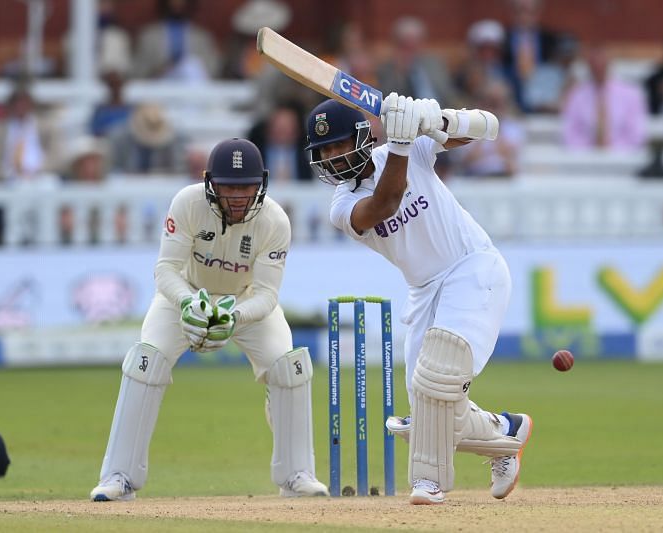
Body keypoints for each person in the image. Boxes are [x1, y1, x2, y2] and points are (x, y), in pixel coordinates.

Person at [305, 96, 533, 504]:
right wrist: (402, 142)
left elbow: (488, 125)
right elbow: (386, 202)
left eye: (339, 145)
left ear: (360, 137)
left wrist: (436, 119)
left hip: (472, 266)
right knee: (431, 410)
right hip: (425, 290)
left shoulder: (412, 149)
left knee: (436, 386)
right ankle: (505, 432)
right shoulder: (341, 206)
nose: (334, 158)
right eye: (325, 151)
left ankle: (427, 482)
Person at [90, 138, 328, 501]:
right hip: (185, 297)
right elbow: (166, 270)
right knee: (145, 362)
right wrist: (189, 303)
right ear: (210, 183)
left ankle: (296, 474)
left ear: (260, 184)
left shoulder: (275, 220)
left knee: (289, 367)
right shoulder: (187, 203)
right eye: (228, 186)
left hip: (245, 303)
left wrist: (232, 315)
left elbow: (266, 294)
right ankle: (119, 477)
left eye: (246, 186)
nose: (237, 196)